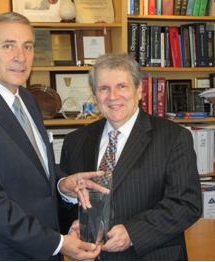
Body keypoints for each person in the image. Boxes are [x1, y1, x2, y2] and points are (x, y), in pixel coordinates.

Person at [0, 12, 106, 261]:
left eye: (27, 46)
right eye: (8, 46)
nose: (21, 57)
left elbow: (34, 169)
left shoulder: (27, 99)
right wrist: (58, 243)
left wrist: (61, 185)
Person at [60, 52, 203, 260]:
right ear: (94, 94)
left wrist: (133, 233)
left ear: (139, 90)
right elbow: (64, 204)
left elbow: (187, 204)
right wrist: (74, 223)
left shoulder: (173, 137)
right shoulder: (74, 141)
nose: (113, 96)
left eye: (122, 86)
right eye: (104, 88)